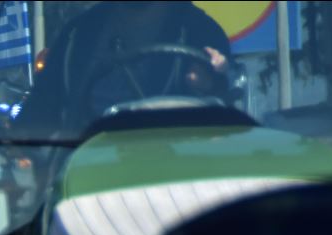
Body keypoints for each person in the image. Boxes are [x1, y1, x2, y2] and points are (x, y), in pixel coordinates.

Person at [17, 1, 231, 136]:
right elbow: (41, 107)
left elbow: (223, 112)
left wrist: (206, 85)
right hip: (87, 162)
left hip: (168, 167)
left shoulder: (201, 32)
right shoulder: (78, 34)